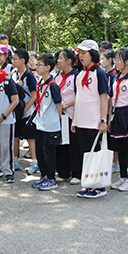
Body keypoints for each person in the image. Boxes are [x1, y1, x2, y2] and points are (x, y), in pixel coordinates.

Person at [71, 39, 110, 199]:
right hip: (81, 121)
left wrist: (103, 120)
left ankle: (99, 186)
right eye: (79, 53)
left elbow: (104, 98)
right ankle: (88, 184)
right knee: (85, 154)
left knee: (95, 154)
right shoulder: (80, 74)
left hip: (94, 121)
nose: (81, 56)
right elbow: (78, 98)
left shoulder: (99, 73)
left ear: (93, 54)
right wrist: (74, 120)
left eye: (84, 53)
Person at [30, 54, 63, 191]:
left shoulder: (53, 85)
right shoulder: (40, 83)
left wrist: (57, 120)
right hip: (40, 124)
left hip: (51, 126)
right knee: (40, 152)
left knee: (49, 153)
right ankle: (43, 176)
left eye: (39, 65)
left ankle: (51, 178)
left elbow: (59, 105)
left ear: (48, 67)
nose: (36, 67)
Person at [109, 48, 128, 191]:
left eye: (118, 59)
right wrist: (109, 118)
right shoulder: (115, 78)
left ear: (127, 62)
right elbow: (111, 98)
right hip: (116, 114)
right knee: (120, 148)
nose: (115, 62)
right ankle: (123, 176)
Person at [12, 49, 38, 174]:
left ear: (22, 60)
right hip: (15, 111)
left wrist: (24, 110)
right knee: (15, 136)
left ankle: (34, 162)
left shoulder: (30, 76)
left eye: (15, 59)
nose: (12, 61)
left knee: (30, 137)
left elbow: (34, 96)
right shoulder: (13, 73)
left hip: (27, 113)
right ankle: (14, 160)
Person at [54, 49, 79, 183]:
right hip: (60, 114)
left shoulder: (76, 76)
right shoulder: (58, 77)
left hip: (71, 114)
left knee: (73, 145)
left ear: (68, 61)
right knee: (61, 144)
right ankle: (63, 172)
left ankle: (76, 173)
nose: (57, 61)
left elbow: (80, 96)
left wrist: (66, 104)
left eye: (60, 58)